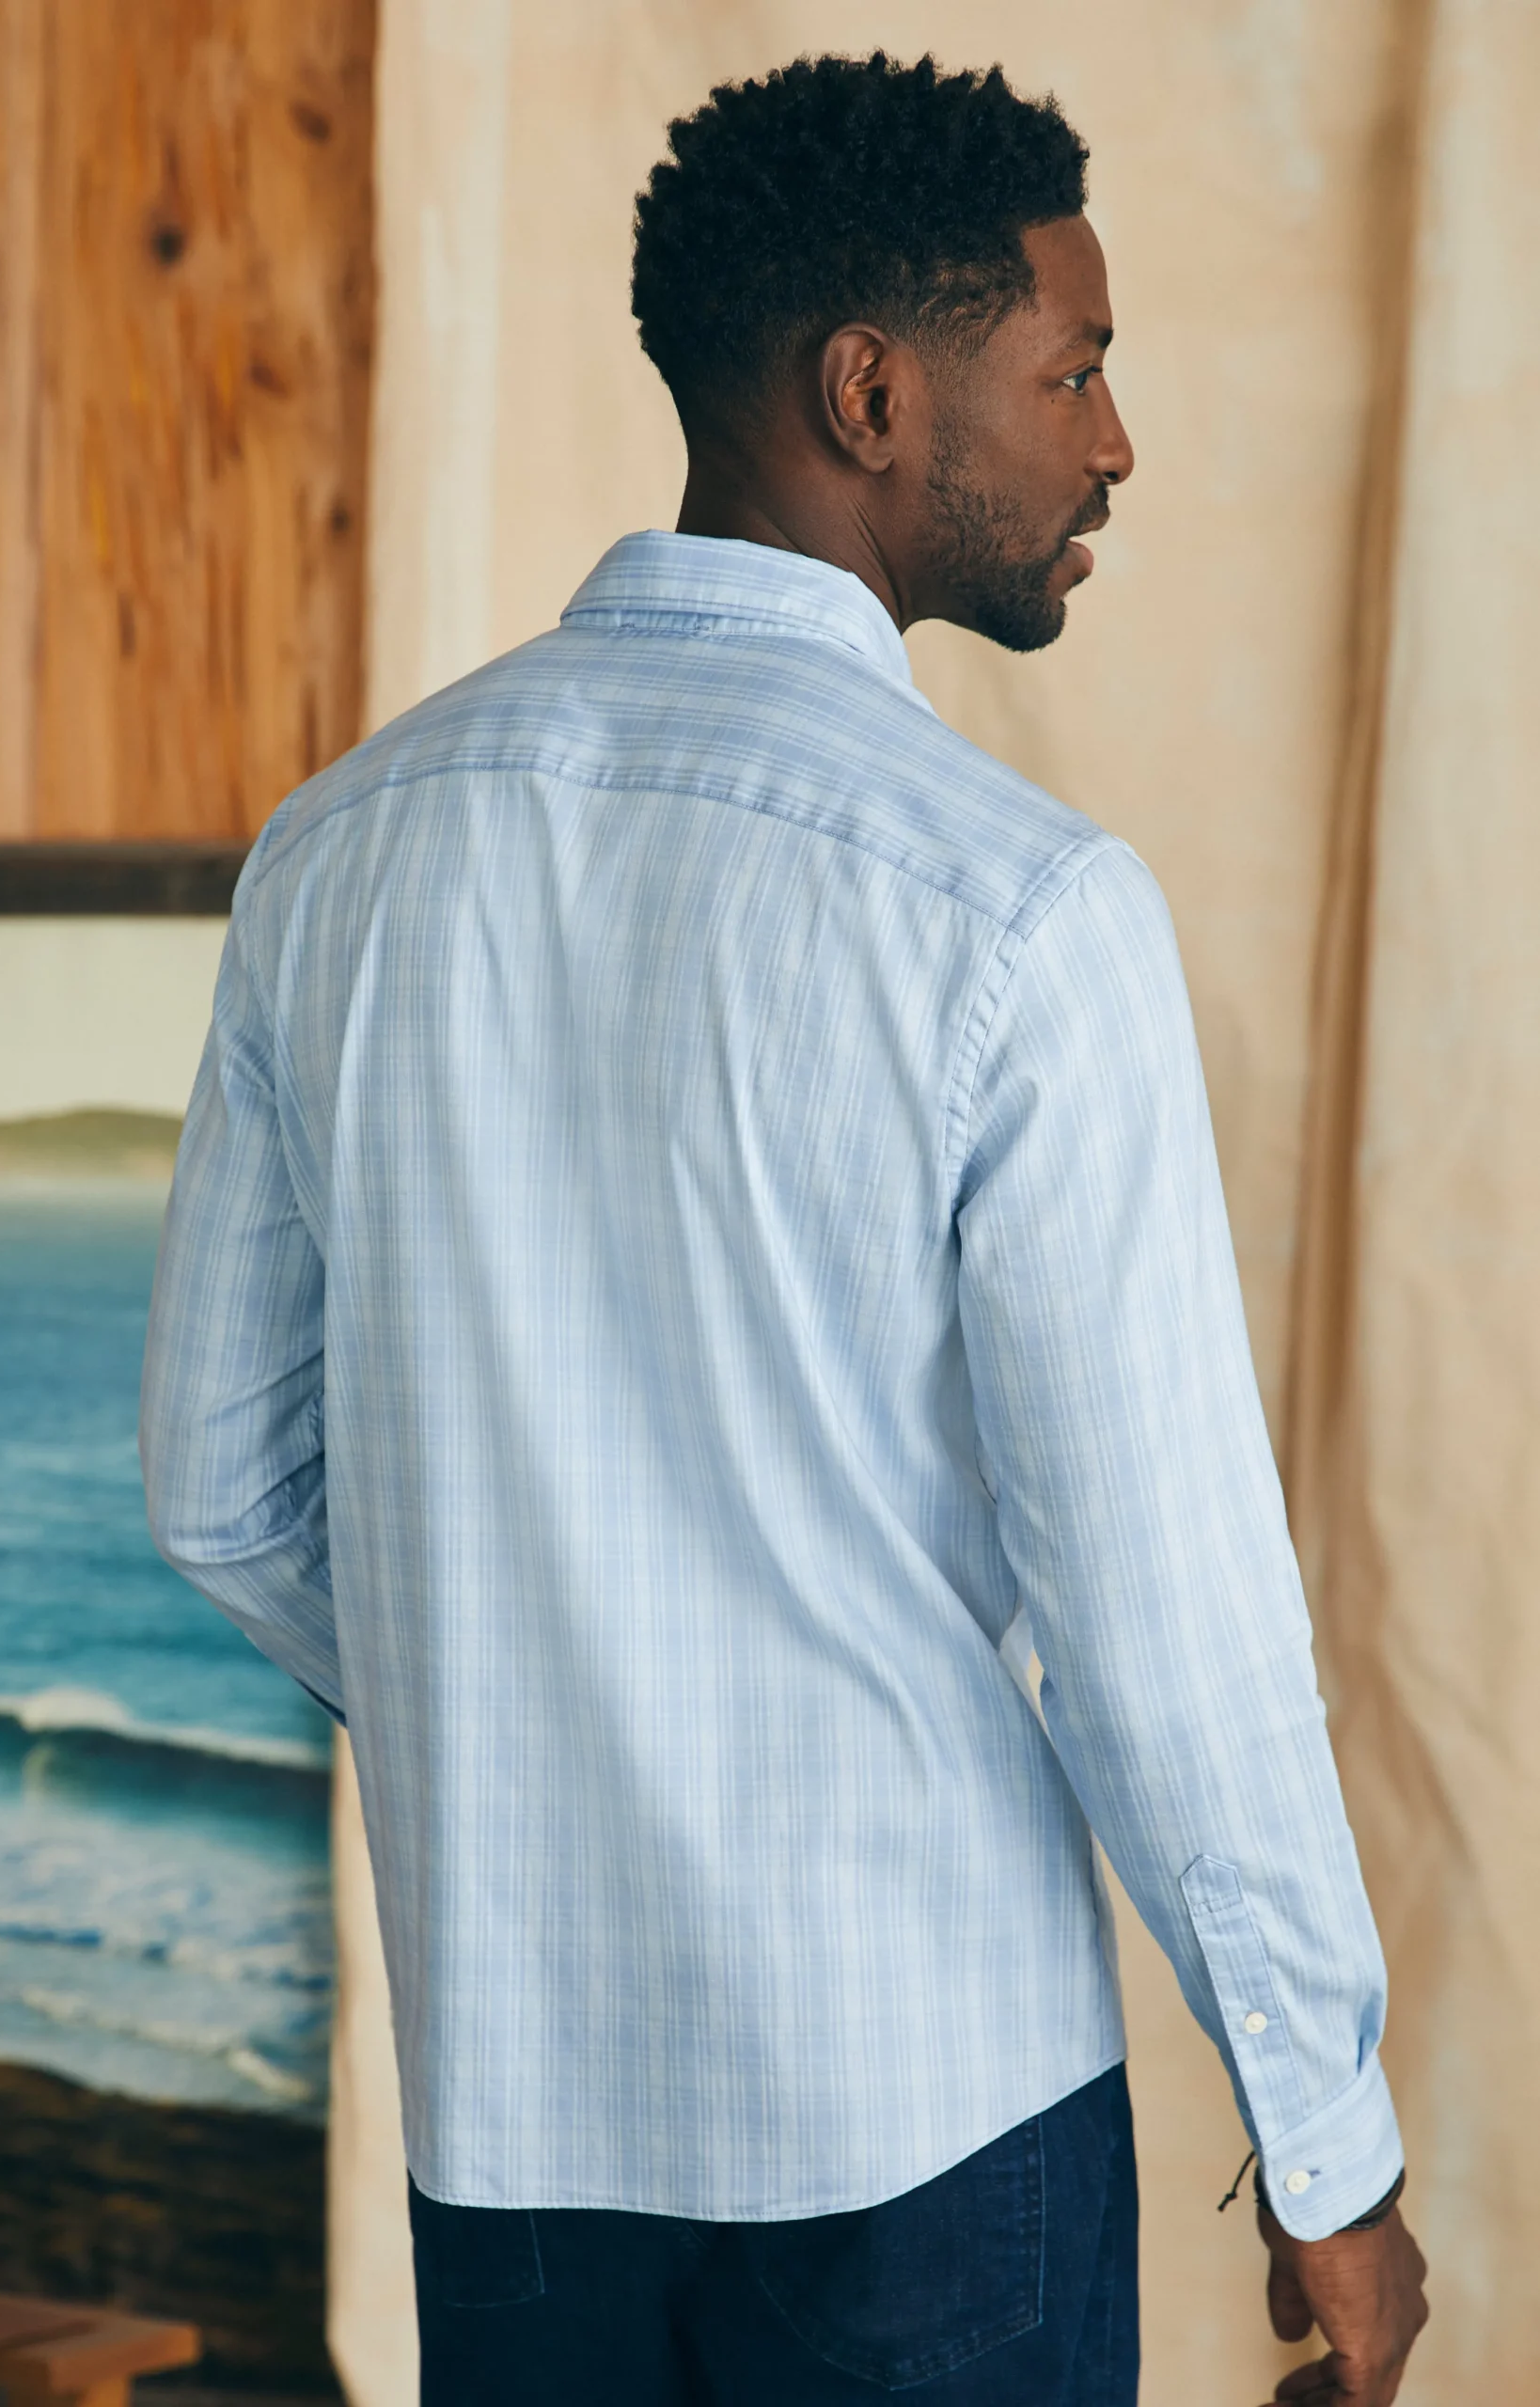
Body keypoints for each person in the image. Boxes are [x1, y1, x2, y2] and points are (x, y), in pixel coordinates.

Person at [142, 53, 1428, 2407]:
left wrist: (528, 1699)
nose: (1113, 445)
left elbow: (224, 1487)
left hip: (515, 2122)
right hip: (930, 2121)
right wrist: (1326, 2149)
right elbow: (1165, 1621)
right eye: (1071, 371)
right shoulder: (1017, 909)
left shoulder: (335, 854)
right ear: (869, 394)